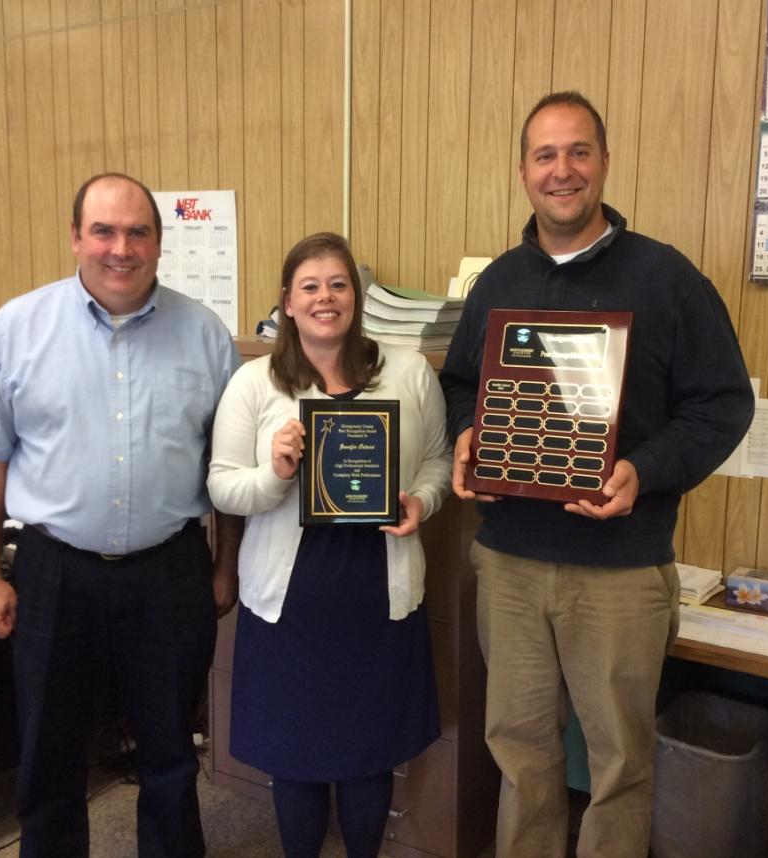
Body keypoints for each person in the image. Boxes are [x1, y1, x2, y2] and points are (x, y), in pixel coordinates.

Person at [439, 92, 755, 857]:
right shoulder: (496, 284)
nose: (562, 170)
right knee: (520, 751)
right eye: (545, 155)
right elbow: (456, 384)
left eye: (578, 152)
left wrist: (643, 472)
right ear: (523, 172)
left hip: (618, 571)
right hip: (510, 561)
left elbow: (725, 403)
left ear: (606, 163)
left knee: (618, 763)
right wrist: (466, 436)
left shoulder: (669, 280)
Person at [0, 172, 243, 858]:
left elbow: (228, 468)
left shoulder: (206, 336)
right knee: (49, 756)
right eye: (103, 230)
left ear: (160, 243)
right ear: (76, 238)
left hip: (169, 574)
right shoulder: (18, 328)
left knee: (169, 754)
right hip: (55, 574)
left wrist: (226, 566)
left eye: (137, 231)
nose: (119, 248)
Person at [207, 232, 451, 858]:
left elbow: (437, 463)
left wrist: (421, 503)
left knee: (369, 757)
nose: (325, 297)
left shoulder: (408, 372)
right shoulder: (254, 384)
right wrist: (275, 475)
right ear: (287, 301)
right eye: (309, 286)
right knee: (296, 759)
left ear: (357, 296)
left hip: (379, 594)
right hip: (290, 606)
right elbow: (223, 487)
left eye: (338, 284)